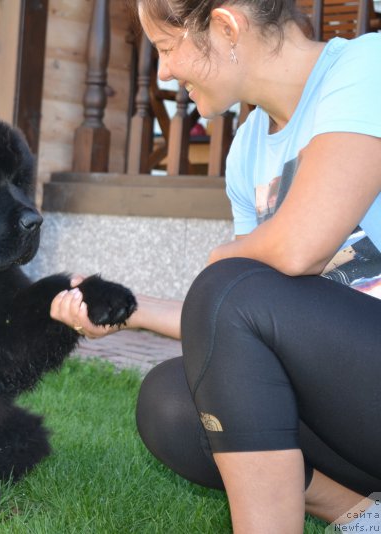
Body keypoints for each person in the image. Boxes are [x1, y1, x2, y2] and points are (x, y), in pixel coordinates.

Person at [50, 1, 381, 532]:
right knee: (173, 403)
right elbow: (240, 323)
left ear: (226, 28)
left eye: (165, 47)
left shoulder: (367, 67)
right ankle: (365, 515)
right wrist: (128, 309)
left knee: (227, 288)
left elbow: (301, 248)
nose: (163, 72)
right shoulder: (248, 149)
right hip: (359, 401)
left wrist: (219, 263)